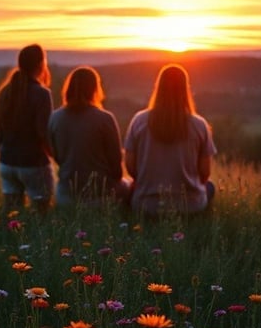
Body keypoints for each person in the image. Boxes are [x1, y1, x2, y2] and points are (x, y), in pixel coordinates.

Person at [124, 63, 217, 216]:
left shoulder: (139, 121)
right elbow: (205, 173)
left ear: (158, 87)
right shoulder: (200, 125)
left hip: (146, 205)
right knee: (210, 187)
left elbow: (130, 167)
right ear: (185, 89)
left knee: (127, 187)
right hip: (190, 206)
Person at [0, 44, 54, 214]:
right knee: (41, 214)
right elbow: (43, 133)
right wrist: (57, 157)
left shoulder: (5, 91)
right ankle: (37, 241)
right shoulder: (42, 94)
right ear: (41, 64)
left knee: (11, 214)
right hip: (33, 164)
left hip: (7, 163)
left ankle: (6, 240)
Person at [48, 66, 131, 207]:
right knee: (130, 187)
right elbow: (116, 167)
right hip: (102, 195)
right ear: (95, 89)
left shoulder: (55, 118)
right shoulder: (105, 118)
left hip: (66, 194)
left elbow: (57, 157)